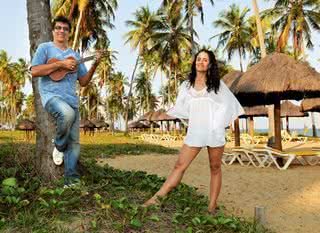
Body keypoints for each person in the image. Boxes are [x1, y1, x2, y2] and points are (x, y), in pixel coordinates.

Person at [143, 49, 244, 214]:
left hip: (214, 131)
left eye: (205, 60)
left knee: (215, 167)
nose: (201, 62)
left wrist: (218, 124)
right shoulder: (186, 85)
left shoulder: (218, 85)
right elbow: (182, 107)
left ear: (210, 64)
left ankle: (211, 206)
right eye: (198, 59)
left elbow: (230, 106)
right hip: (195, 131)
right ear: (194, 62)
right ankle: (156, 199)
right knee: (179, 165)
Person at [30, 16, 101, 188]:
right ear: (53, 31)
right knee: (66, 115)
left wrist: (94, 66)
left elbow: (83, 81)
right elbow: (34, 71)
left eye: (65, 29)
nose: (61, 31)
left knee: (75, 143)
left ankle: (72, 181)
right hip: (52, 96)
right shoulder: (45, 48)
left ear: (69, 33)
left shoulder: (75, 55)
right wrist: (60, 64)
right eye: (58, 28)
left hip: (72, 100)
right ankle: (59, 145)